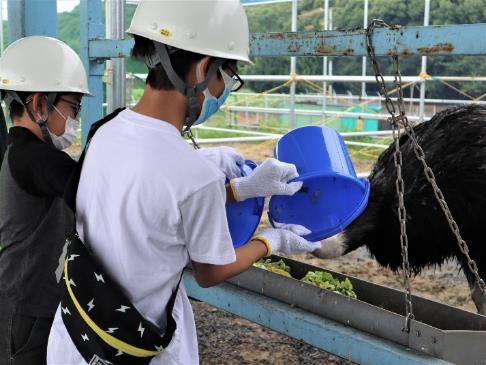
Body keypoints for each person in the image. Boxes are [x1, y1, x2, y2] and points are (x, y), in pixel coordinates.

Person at [47, 1, 320, 364]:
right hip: (125, 347)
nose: (224, 91)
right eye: (228, 77)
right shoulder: (195, 175)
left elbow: (153, 207)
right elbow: (211, 271)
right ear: (206, 68)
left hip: (75, 331)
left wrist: (243, 189)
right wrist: (270, 242)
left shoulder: (105, 131)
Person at [0, 36, 90, 364]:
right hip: (29, 307)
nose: (75, 121)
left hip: (24, 298)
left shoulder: (20, 152)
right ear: (39, 103)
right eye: (73, 108)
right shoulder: (37, 159)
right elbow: (99, 193)